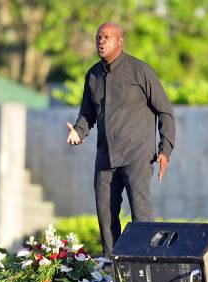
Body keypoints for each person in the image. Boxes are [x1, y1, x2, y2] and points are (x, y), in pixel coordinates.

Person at [66, 22, 175, 257]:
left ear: (120, 41)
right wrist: (78, 131)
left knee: (140, 212)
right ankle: (111, 266)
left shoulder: (140, 70)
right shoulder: (92, 75)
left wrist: (164, 149)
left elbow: (165, 111)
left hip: (137, 154)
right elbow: (87, 113)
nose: (101, 41)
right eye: (98, 37)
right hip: (105, 157)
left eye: (107, 37)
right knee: (105, 214)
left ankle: (146, 263)